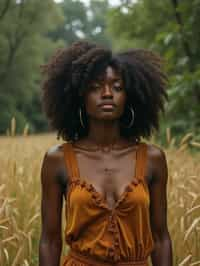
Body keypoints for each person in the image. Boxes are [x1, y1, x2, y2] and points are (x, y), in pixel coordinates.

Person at [39, 40, 173, 266]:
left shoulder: (153, 159)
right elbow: (50, 241)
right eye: (95, 87)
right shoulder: (58, 160)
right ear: (79, 97)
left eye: (117, 87)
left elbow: (160, 238)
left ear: (130, 96)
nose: (107, 93)